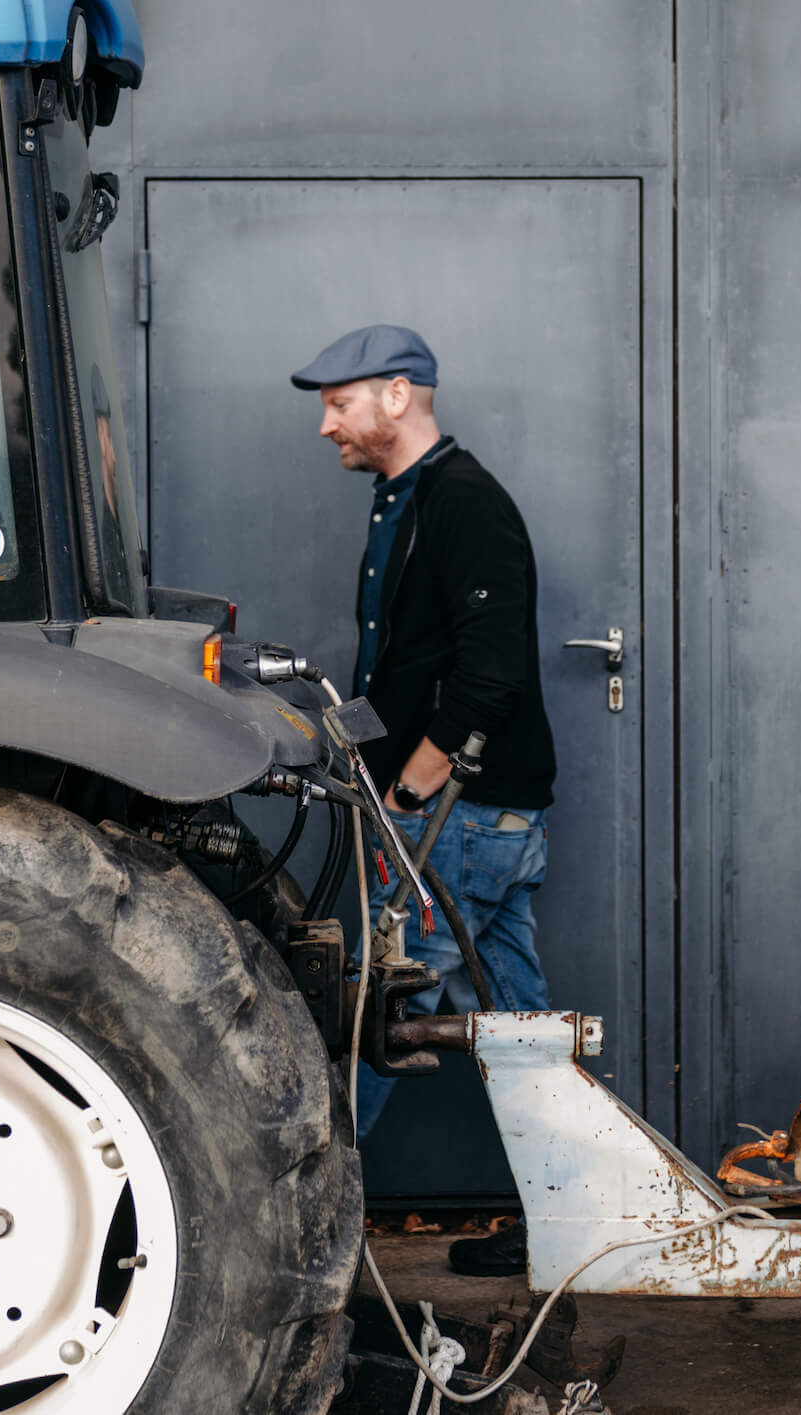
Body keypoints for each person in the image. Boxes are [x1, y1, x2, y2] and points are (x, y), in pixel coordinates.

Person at [292, 324, 556, 1277]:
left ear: (397, 396)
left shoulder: (464, 504)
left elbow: (488, 679)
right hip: (471, 817)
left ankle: (290, 1225)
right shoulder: (403, 496)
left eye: (339, 402)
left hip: (463, 820)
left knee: (379, 1010)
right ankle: (570, 1221)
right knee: (523, 1027)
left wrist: (406, 792)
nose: (327, 425)